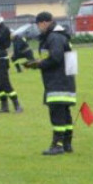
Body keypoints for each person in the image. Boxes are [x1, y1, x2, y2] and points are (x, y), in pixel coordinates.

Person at [23, 12, 76, 155]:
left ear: (44, 23)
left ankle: (57, 145)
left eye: (38, 25)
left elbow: (55, 58)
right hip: (66, 81)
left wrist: (38, 64)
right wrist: (36, 63)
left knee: (57, 114)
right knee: (64, 113)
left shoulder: (54, 37)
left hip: (57, 82)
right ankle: (67, 144)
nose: (39, 28)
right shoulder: (61, 36)